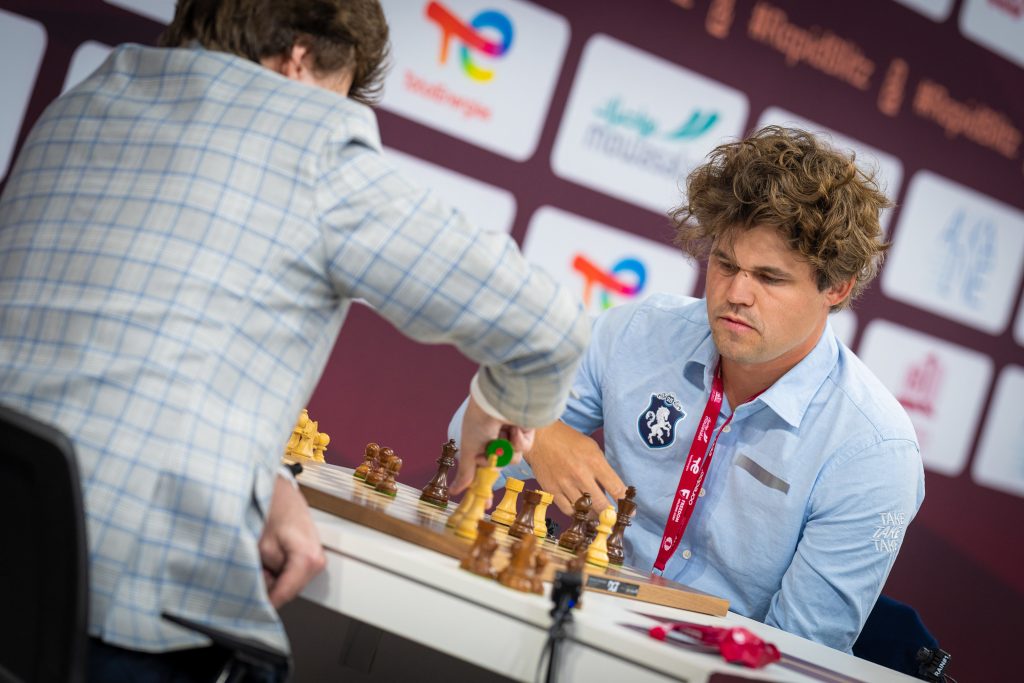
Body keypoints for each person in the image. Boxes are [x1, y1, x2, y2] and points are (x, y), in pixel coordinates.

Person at [0, 0, 587, 679]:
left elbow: (115, 357)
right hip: (117, 615)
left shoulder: (82, 105)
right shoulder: (314, 150)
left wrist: (265, 479)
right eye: (340, 94)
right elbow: (549, 329)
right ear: (299, 60)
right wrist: (494, 404)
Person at [451, 125, 924, 653]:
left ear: (836, 287)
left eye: (769, 278)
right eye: (725, 264)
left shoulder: (873, 451)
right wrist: (535, 432)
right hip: (574, 625)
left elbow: (799, 652)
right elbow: (467, 453)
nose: (735, 293)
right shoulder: (637, 333)